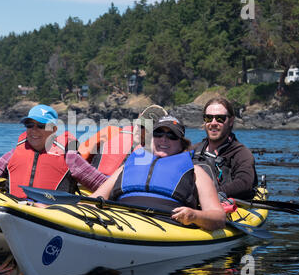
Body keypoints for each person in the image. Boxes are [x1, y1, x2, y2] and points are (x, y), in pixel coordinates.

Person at [91, 115, 226, 231]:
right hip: (121, 220)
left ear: (182, 144)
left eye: (172, 135)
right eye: (158, 133)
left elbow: (219, 218)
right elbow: (93, 200)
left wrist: (195, 216)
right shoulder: (129, 165)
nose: (163, 139)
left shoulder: (196, 172)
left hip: (167, 225)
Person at [0, 104, 79, 198]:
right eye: (29, 125)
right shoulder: (13, 154)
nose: (34, 130)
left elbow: (96, 181)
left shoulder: (69, 156)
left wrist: (92, 200)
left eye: (41, 126)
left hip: (51, 213)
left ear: (54, 130)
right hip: (15, 208)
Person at [65, 105, 168, 191]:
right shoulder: (110, 132)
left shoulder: (162, 152)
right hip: (91, 187)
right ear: (137, 118)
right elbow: (81, 156)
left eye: (146, 128)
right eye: (140, 124)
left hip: (116, 192)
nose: (140, 129)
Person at [193, 97, 258, 200]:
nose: (213, 123)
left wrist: (210, 194)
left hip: (228, 206)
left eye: (220, 118)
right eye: (208, 118)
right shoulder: (193, 150)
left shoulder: (242, 154)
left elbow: (244, 183)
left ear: (231, 121)